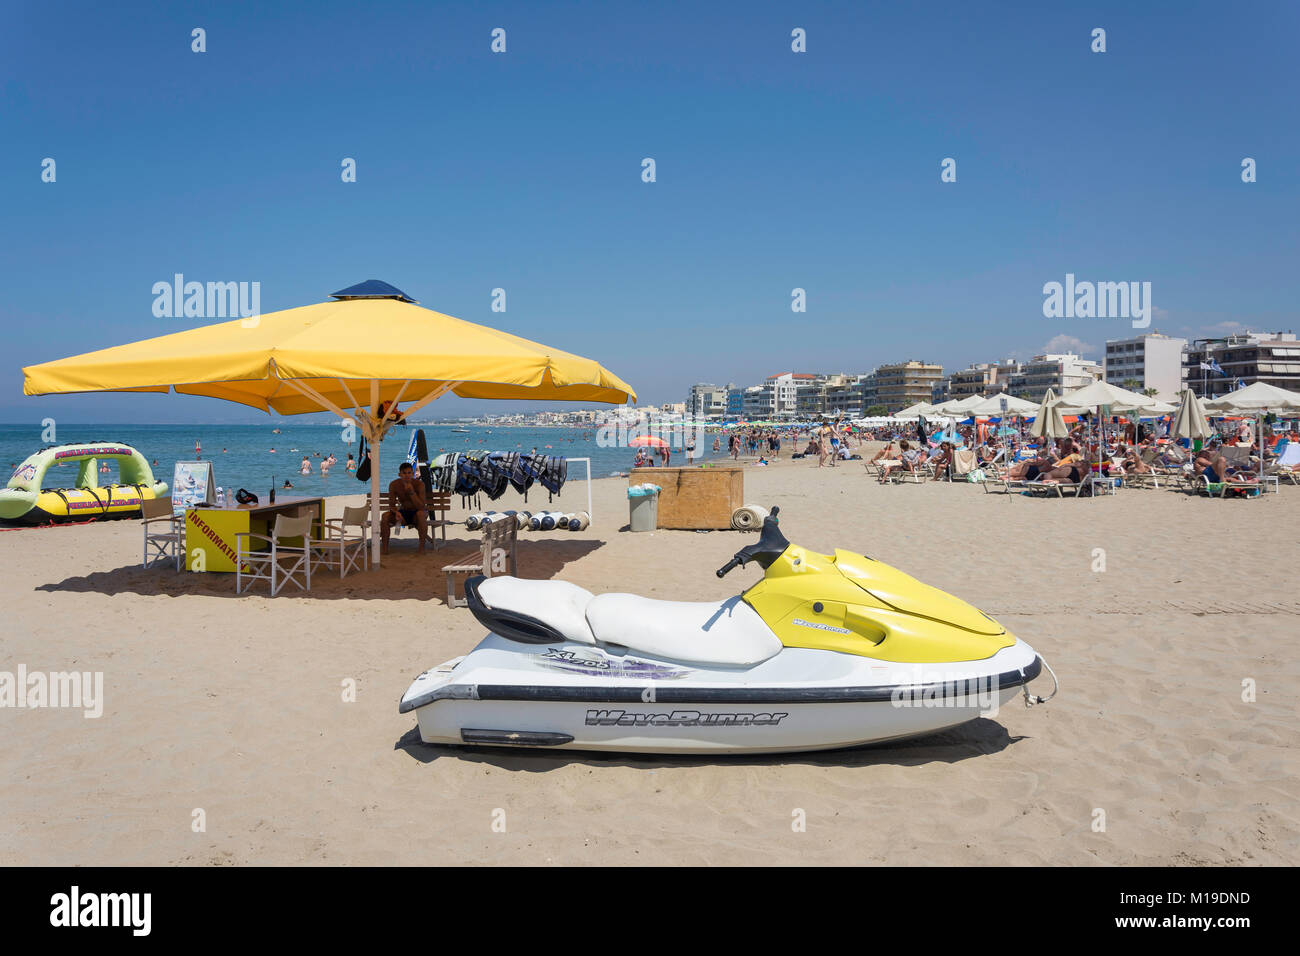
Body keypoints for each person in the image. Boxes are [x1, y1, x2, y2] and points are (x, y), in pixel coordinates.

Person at [381, 462, 428, 555]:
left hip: (417, 513)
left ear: (413, 473)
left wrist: (411, 492)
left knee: (421, 514)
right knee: (385, 516)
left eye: (409, 473)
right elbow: (392, 504)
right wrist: (396, 512)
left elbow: (421, 506)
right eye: (404, 473)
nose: (407, 475)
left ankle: (421, 548)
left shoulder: (419, 484)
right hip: (403, 513)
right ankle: (385, 549)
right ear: (400, 474)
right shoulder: (394, 485)